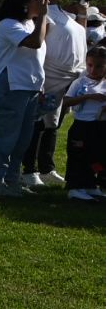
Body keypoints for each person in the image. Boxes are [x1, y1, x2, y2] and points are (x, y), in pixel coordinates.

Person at [20, 0, 87, 188]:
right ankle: (28, 170)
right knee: (39, 123)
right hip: (49, 76)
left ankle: (46, 167)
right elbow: (37, 44)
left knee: (53, 124)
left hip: (69, 77)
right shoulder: (42, 14)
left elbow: (79, 35)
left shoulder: (63, 13)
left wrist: (82, 15)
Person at [0, 0, 49, 197]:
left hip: (29, 87)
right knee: (6, 137)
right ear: (25, 1)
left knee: (22, 140)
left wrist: (40, 87)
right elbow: (35, 43)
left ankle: (12, 180)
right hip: (11, 86)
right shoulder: (8, 24)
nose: (45, 1)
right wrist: (43, 16)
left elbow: (36, 59)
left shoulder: (30, 23)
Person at [60, 46, 106, 201]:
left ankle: (90, 185)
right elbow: (66, 101)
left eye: (99, 66)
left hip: (100, 126)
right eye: (90, 65)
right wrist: (88, 97)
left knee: (96, 156)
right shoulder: (80, 82)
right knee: (79, 155)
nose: (93, 70)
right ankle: (75, 187)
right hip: (82, 126)